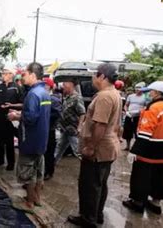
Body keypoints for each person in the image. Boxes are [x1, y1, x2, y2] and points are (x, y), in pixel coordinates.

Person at [68, 63, 122, 228]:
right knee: (99, 184)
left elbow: (100, 125)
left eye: (94, 75)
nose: (92, 78)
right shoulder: (114, 93)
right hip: (108, 148)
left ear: (102, 77)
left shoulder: (105, 96)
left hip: (99, 150)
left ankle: (87, 219)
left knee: (89, 185)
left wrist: (90, 147)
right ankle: (96, 215)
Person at [122, 81, 163, 215]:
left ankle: (137, 202)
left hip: (150, 150)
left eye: (150, 91)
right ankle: (156, 204)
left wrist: (134, 151)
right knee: (161, 177)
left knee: (141, 176)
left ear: (156, 92)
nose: (148, 94)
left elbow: (145, 133)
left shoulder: (153, 108)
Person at [7, 62, 51, 213]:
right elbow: (38, 115)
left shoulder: (33, 94)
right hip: (41, 140)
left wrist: (15, 116)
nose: (22, 77)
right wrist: (22, 113)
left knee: (27, 173)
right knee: (39, 172)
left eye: (24, 74)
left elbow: (31, 118)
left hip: (29, 140)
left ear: (33, 75)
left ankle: (29, 203)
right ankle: (37, 199)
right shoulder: (44, 92)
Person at [0, 67, 23, 171]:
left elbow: (23, 104)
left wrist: (12, 106)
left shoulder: (16, 88)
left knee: (9, 142)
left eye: (5, 73)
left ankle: (11, 162)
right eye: (2, 73)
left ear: (11, 75)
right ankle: (0, 159)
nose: (3, 75)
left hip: (10, 120)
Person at [55, 78, 86, 163]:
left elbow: (82, 113)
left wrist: (79, 127)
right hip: (65, 128)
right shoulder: (67, 96)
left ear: (71, 84)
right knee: (60, 146)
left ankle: (87, 167)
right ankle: (51, 164)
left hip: (73, 129)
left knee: (77, 150)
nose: (63, 85)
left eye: (65, 83)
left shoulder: (77, 98)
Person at [42, 77, 62, 180]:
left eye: (44, 85)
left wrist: (43, 116)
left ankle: (48, 172)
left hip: (49, 130)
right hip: (41, 129)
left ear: (49, 86)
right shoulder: (41, 97)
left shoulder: (54, 99)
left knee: (49, 152)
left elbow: (56, 114)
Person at [122, 82, 147, 150]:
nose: (137, 89)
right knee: (127, 131)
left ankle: (136, 147)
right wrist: (126, 111)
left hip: (139, 116)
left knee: (137, 132)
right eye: (136, 88)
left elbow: (146, 106)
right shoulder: (131, 96)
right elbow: (126, 105)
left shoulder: (145, 97)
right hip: (129, 115)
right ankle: (127, 146)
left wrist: (141, 111)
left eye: (139, 88)